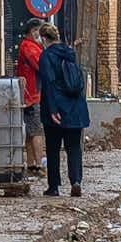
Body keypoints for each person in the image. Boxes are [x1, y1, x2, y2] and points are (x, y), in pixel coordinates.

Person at [36, 23, 89, 197]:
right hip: (75, 107)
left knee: (53, 149)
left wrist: (52, 109)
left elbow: (49, 83)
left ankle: (54, 186)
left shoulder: (46, 56)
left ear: (44, 38)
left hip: (56, 108)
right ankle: (76, 181)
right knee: (74, 147)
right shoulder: (70, 53)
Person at [14, 20, 46, 179]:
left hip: (27, 95)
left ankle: (32, 163)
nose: (37, 34)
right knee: (37, 132)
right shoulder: (29, 47)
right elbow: (42, 66)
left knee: (29, 132)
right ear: (29, 31)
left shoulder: (27, 46)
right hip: (32, 95)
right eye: (35, 30)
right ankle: (38, 164)